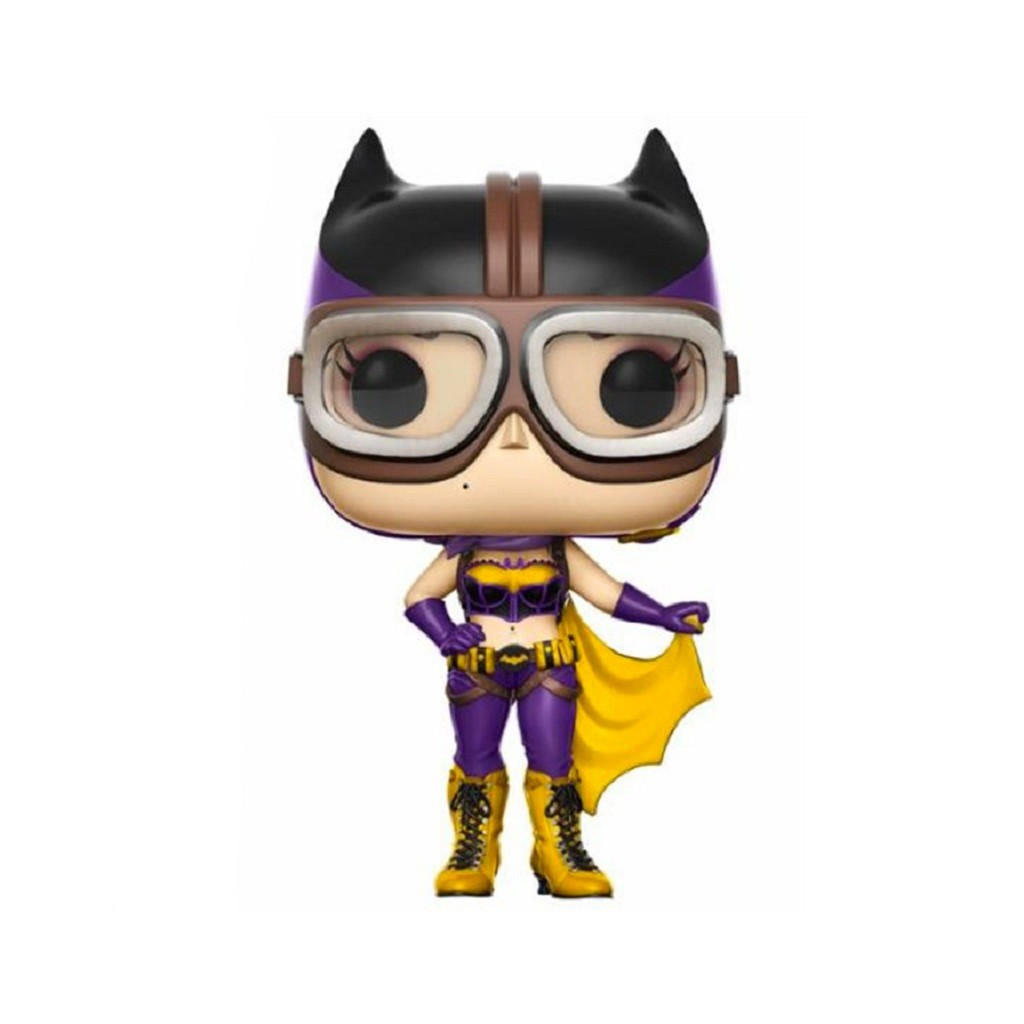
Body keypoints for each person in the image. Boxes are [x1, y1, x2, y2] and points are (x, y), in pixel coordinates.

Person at [287, 128, 740, 897]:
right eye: (390, 383)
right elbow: (418, 597)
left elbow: (604, 592)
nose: (514, 438)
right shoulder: (461, 549)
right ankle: (475, 846)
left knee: (553, 762)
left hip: (548, 665)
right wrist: (445, 632)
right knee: (476, 760)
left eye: (636, 386)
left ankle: (560, 847)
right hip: (476, 668)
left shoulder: (553, 552)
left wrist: (662, 615)